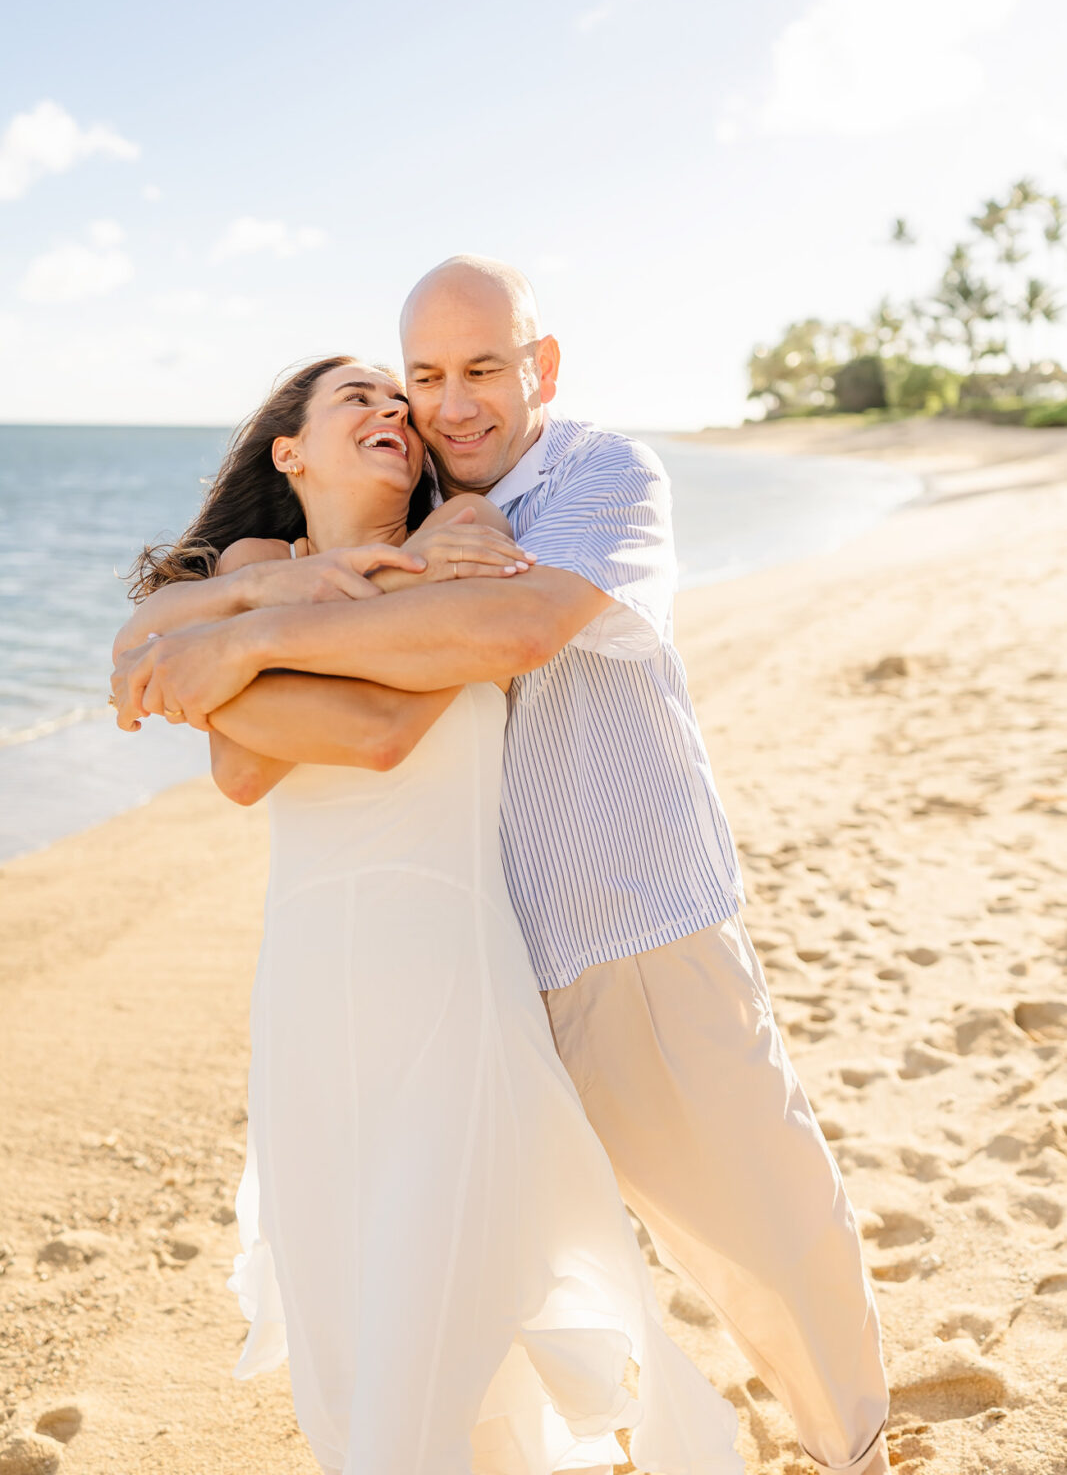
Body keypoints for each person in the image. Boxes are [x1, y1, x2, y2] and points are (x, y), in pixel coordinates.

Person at [112, 258, 891, 1475]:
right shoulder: (371, 542)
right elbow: (228, 744)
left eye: (480, 369)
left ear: (542, 366)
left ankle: (855, 1443)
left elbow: (496, 640)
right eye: (423, 376)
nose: (446, 403)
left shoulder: (578, 480)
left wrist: (250, 642)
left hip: (620, 921)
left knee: (755, 1221)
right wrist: (267, 606)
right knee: (458, 1270)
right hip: (469, 958)